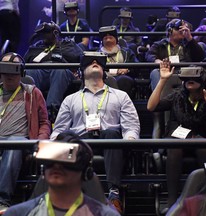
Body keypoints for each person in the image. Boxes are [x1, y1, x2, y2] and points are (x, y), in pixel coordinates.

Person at [50, 51, 140, 214]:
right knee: (67, 138)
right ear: (80, 72)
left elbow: (131, 126)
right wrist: (55, 144)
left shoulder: (121, 96)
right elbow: (59, 129)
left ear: (104, 72)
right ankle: (70, 192)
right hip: (81, 142)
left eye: (98, 62)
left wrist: (130, 139)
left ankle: (114, 193)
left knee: (113, 134)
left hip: (111, 141)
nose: (94, 62)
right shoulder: (70, 99)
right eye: (90, 62)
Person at [147, 59, 206, 210]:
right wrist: (162, 80)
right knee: (175, 147)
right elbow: (151, 107)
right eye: (186, 79)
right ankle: (172, 201)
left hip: (200, 139)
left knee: (202, 146)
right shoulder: (177, 96)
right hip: (176, 138)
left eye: (194, 78)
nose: (189, 81)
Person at [3, 131, 120, 216]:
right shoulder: (17, 213)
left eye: (66, 160)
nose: (57, 165)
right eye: (52, 159)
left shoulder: (105, 214)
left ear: (85, 172)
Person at [0, 52, 50, 213]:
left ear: (21, 73)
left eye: (13, 70)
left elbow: (44, 122)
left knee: (14, 143)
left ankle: (2, 199)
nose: (9, 75)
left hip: (19, 142)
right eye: (5, 69)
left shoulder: (32, 93)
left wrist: (40, 140)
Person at [146, 18, 205, 138]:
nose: (182, 31)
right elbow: (149, 56)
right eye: (179, 29)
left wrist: (189, 38)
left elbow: (200, 57)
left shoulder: (189, 44)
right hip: (166, 73)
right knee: (155, 72)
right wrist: (159, 62)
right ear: (169, 31)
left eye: (184, 29)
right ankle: (162, 104)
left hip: (186, 75)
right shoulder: (160, 44)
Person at [24, 21, 83, 113]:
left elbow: (80, 58)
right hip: (40, 71)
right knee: (30, 72)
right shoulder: (37, 46)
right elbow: (25, 61)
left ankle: (51, 110)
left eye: (46, 33)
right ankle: (32, 109)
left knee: (59, 70)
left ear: (55, 33)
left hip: (61, 71)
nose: (44, 36)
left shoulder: (68, 44)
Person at [98, 25, 138, 99]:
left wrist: (127, 69)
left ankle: (121, 105)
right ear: (102, 41)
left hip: (122, 76)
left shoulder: (127, 52)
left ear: (116, 40)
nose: (108, 39)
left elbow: (136, 66)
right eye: (105, 38)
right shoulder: (97, 54)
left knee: (124, 80)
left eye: (110, 37)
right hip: (104, 77)